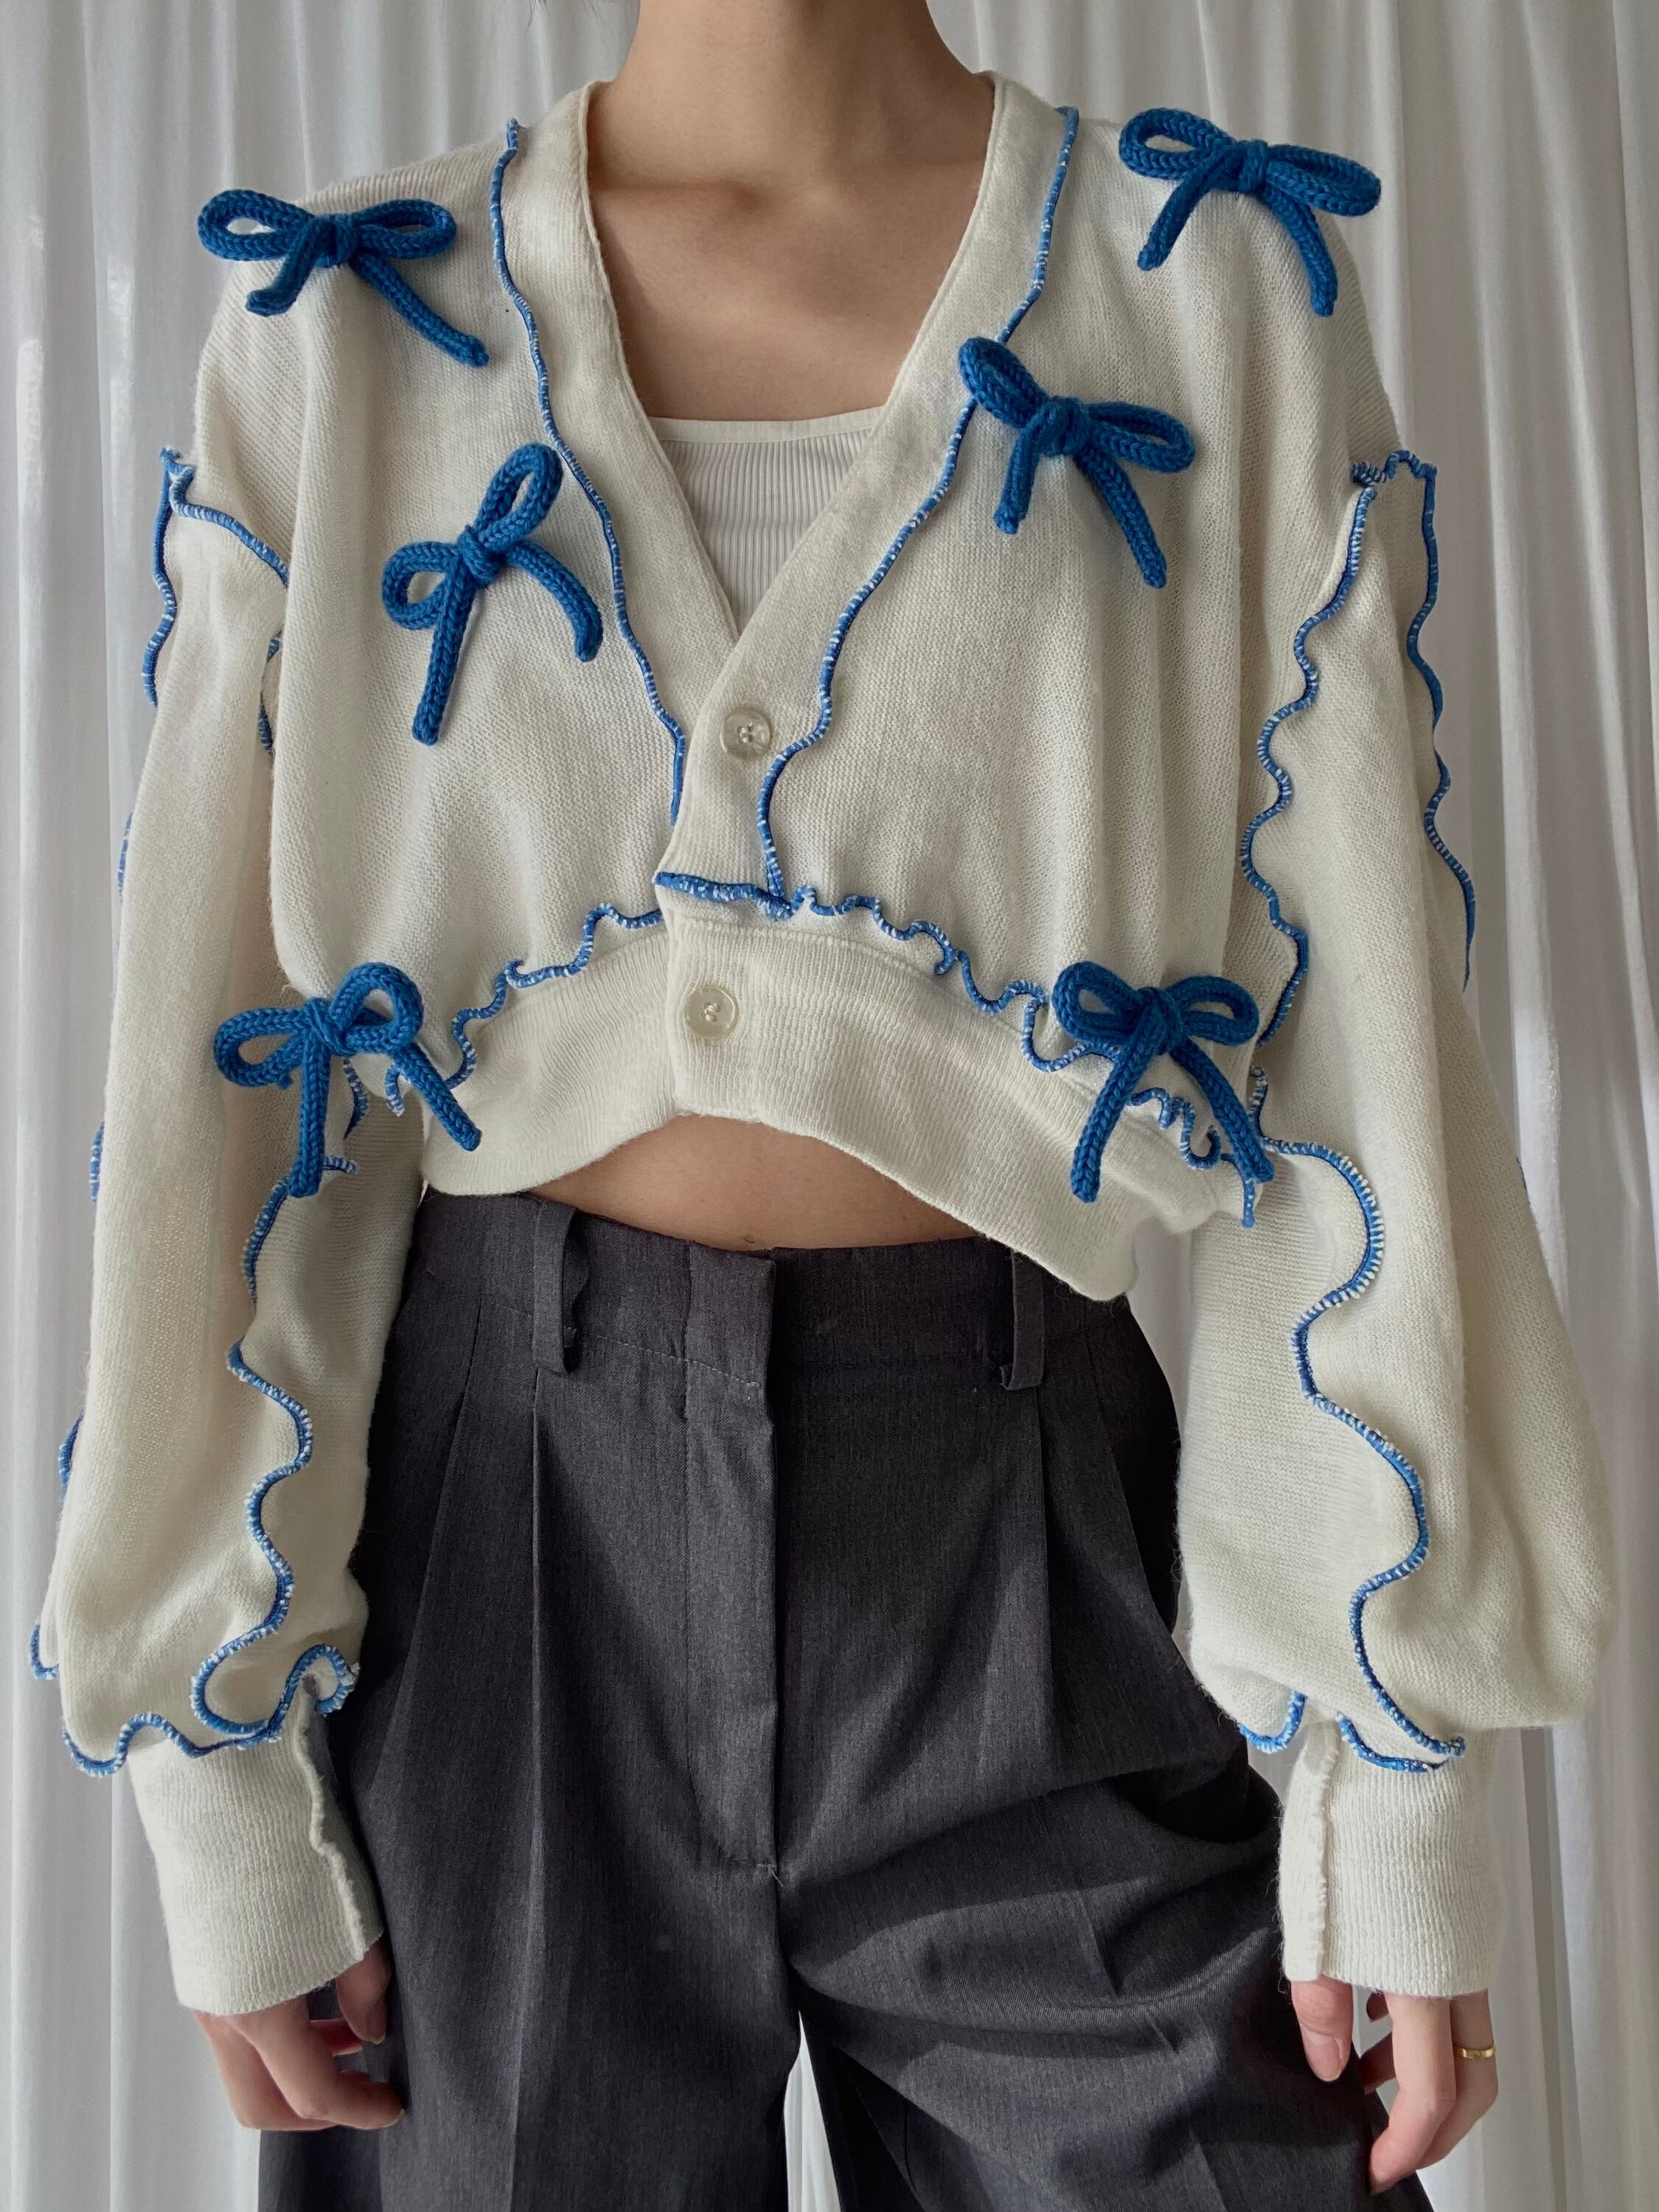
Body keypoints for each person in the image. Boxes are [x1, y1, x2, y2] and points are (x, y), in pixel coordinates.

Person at [31, 0, 1615, 2204]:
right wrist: (216, 1778)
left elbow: (1358, 1054)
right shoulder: (355, 329)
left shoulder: (1202, 292)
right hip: (497, 1555)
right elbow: (219, 1095)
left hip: (1028, 1513)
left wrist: (1397, 1779)